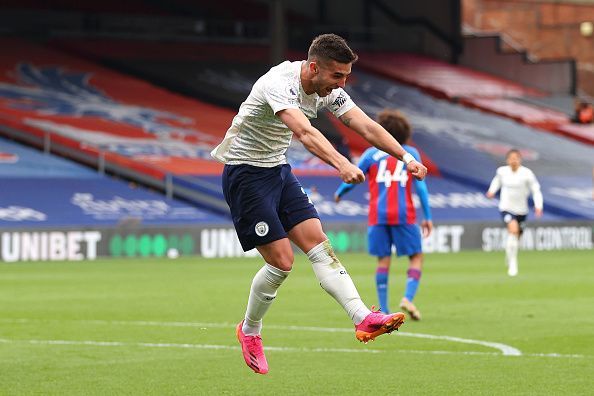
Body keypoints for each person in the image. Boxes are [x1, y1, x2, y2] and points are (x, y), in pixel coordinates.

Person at [210, 33, 427, 375]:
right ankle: (249, 331)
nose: (342, 84)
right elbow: (305, 133)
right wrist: (342, 164)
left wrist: (404, 157)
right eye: (337, 76)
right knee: (282, 263)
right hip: (245, 175)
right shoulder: (277, 83)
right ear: (313, 67)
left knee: (320, 246)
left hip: (277, 170)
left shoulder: (330, 91)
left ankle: (363, 318)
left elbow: (366, 126)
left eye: (346, 76)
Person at [334, 109, 432, 320]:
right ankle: (407, 298)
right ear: (404, 132)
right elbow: (422, 188)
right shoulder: (411, 153)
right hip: (403, 214)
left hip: (377, 215)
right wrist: (428, 217)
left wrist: (339, 193)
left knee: (383, 261)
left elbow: (355, 177)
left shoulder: (371, 154)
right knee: (416, 257)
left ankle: (385, 310)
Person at [486, 149, 543, 276]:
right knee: (513, 230)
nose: (513, 160)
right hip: (506, 207)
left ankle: (509, 253)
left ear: (520, 159)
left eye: (516, 158)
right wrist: (491, 191)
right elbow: (496, 181)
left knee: (517, 237)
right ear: (507, 160)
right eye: (511, 158)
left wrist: (538, 206)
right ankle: (513, 264)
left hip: (522, 210)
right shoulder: (502, 172)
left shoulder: (527, 174)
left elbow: (536, 190)